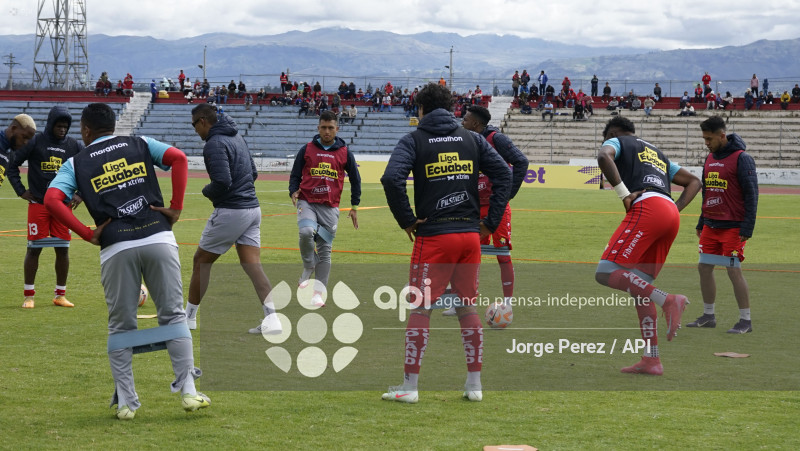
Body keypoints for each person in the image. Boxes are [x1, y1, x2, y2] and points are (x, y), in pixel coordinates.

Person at [43, 102, 209, 420]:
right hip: (158, 237)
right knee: (174, 316)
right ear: (114, 125)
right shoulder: (140, 143)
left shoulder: (76, 163)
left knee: (120, 326)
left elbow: (52, 199)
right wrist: (175, 207)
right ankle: (188, 392)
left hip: (115, 245)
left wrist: (86, 233)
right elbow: (179, 159)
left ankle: (126, 404)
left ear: (86, 130)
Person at [380, 83, 511, 404]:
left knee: (421, 307)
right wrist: (490, 222)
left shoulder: (414, 139)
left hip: (434, 236)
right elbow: (505, 175)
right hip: (469, 235)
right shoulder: (472, 138)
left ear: (420, 109)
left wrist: (407, 219)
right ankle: (474, 385)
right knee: (467, 306)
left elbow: (391, 178)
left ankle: (410, 387)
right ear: (451, 108)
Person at [595, 115, 702, 375]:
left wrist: (624, 194)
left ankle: (669, 300)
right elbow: (695, 181)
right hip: (668, 213)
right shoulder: (657, 154)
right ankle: (652, 359)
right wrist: (672, 209)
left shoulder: (618, 142)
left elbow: (603, 157)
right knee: (640, 289)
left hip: (648, 208)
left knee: (606, 272)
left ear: (616, 133)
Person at [185, 104, 280, 334]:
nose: (195, 131)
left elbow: (222, 182)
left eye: (194, 125)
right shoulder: (237, 136)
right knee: (252, 265)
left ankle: (187, 320)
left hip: (232, 210)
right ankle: (273, 321)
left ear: (203, 121)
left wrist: (206, 192)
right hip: (253, 210)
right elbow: (254, 174)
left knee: (201, 261)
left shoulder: (214, 144)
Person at [443, 105, 529, 316]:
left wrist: (508, 194)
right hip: (471, 206)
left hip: (495, 208)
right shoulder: (465, 139)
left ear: (476, 124)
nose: (462, 122)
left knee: (502, 253)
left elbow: (521, 161)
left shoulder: (496, 139)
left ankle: (507, 303)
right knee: (469, 255)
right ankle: (462, 301)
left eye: (465, 119)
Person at [7, 106, 84, 309]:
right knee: (34, 249)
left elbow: (88, 170)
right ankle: (29, 296)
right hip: (38, 204)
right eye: (59, 126)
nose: (62, 130)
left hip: (62, 207)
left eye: (65, 127)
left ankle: (60, 295)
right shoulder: (35, 141)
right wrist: (20, 190)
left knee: (62, 249)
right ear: (51, 125)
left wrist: (80, 194)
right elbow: (12, 165)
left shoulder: (74, 145)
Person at [688, 116, 758, 334]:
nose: (706, 143)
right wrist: (702, 220)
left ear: (722, 135)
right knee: (704, 267)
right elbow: (707, 192)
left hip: (733, 227)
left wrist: (747, 228)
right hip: (711, 225)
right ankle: (708, 316)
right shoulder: (709, 158)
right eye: (704, 139)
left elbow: (752, 194)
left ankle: (745, 321)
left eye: (709, 139)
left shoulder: (742, 158)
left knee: (733, 269)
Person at [288, 110, 361, 307]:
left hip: (330, 208)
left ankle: (317, 294)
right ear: (318, 128)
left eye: (330, 128)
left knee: (325, 250)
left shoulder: (345, 152)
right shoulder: (307, 149)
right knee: (305, 232)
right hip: (307, 201)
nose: (327, 131)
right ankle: (308, 264)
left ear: (337, 129)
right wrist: (293, 190)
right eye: (323, 127)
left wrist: (354, 206)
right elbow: (295, 175)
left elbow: (355, 179)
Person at [1, 115, 38, 189]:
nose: (25, 142)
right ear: (14, 129)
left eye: (28, 139)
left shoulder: (11, 155)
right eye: (24, 137)